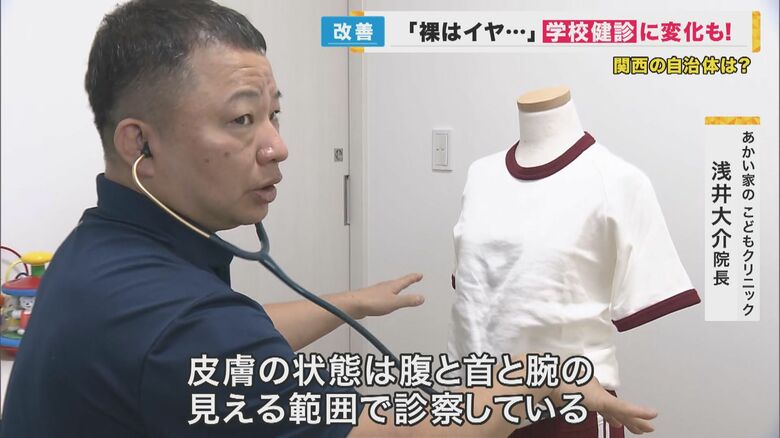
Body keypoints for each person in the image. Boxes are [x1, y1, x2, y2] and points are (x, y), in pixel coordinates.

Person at [0, 1, 657, 436]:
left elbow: (233, 340)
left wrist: (350, 304)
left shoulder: (100, 253)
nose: (277, 145)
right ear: (139, 143)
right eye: (242, 118)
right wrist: (537, 378)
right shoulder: (180, 324)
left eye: (274, 113)